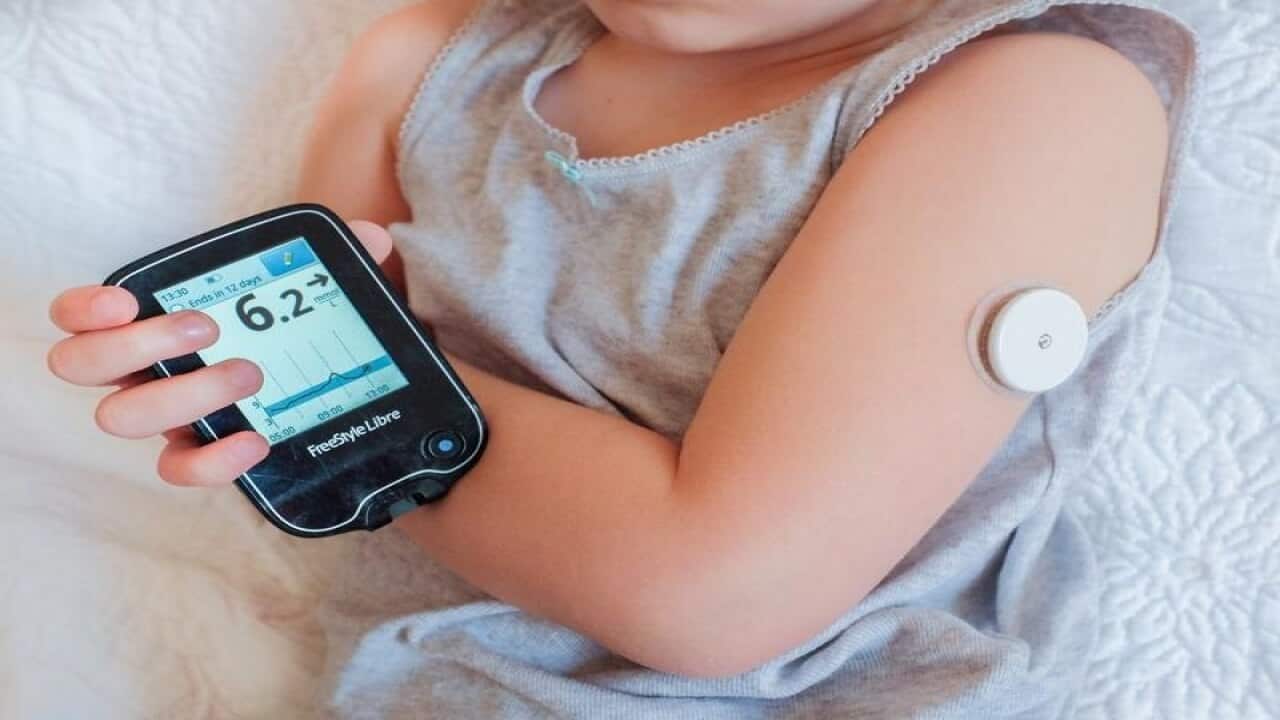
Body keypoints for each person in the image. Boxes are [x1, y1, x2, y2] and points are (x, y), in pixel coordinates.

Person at [45, 0, 1201, 716]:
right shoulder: (427, 59)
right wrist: (245, 389)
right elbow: (331, 474)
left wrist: (332, 402)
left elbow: (714, 588)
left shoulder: (1026, 94)